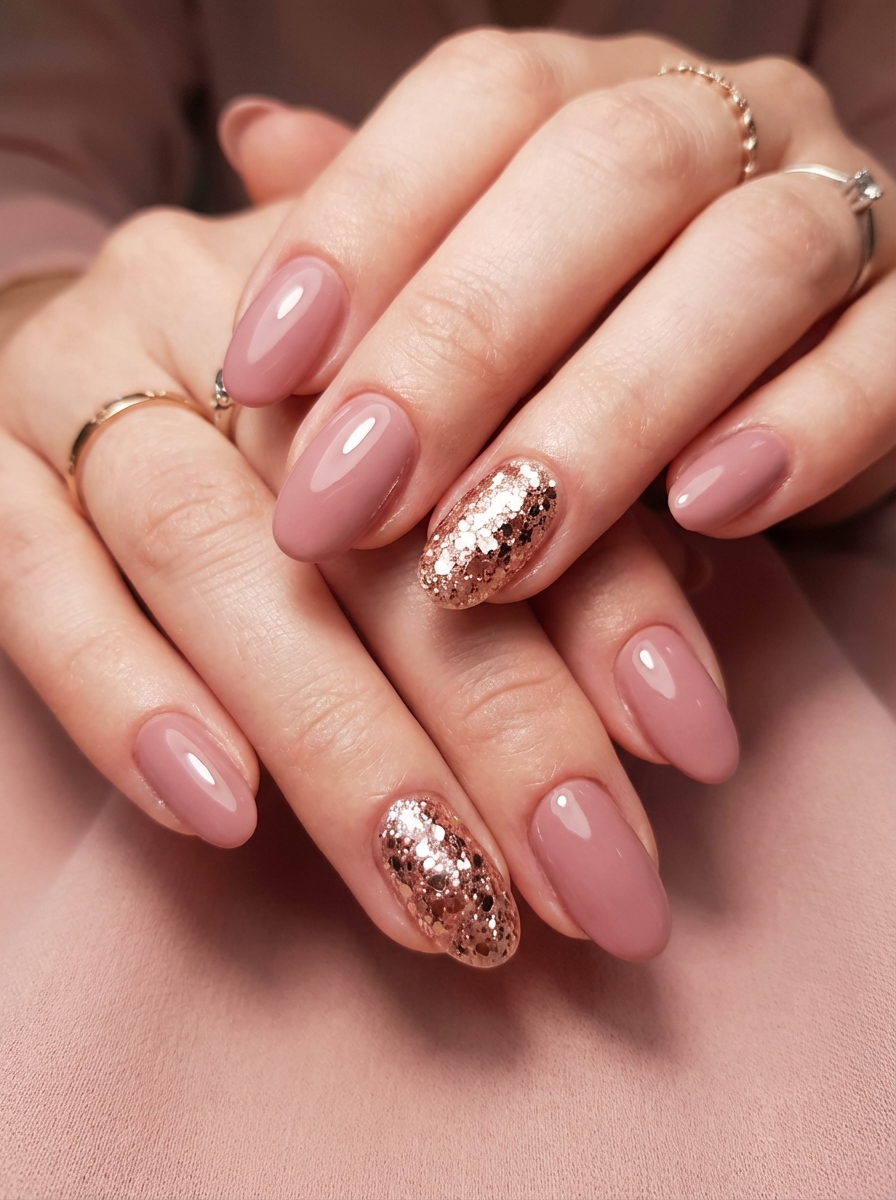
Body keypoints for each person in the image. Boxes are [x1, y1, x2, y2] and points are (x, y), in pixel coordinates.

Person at [0, 3, 893, 1196]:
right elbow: (28, 157)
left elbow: (869, 181)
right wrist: (69, 323)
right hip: (195, 510)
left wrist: (832, 294)